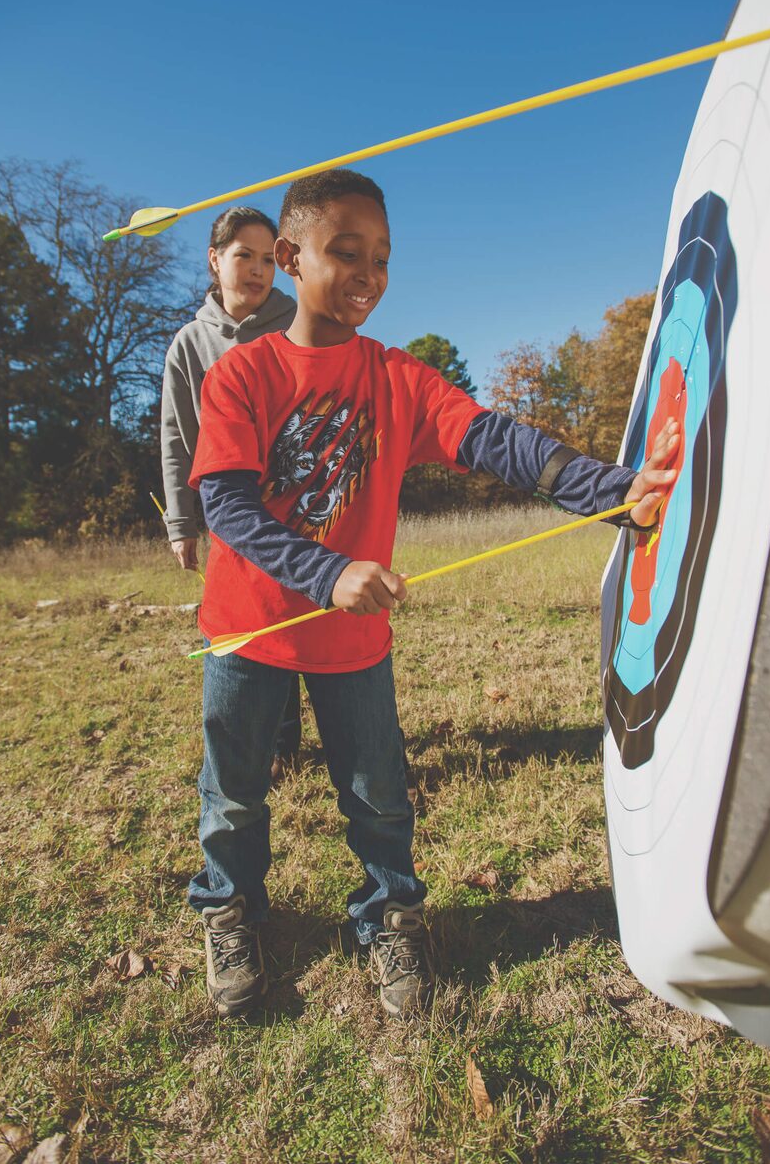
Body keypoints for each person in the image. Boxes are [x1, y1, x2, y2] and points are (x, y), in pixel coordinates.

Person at [188, 169, 679, 1019]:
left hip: (354, 645)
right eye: (348, 252)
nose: (370, 274)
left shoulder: (397, 379)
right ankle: (230, 909)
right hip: (246, 631)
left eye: (382, 256)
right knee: (232, 795)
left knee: (380, 795)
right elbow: (225, 505)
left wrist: (612, 489)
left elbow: (496, 441)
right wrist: (329, 571)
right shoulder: (243, 375)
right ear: (290, 255)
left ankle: (390, 916)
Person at [160, 207, 301, 776]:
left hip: (301, 504)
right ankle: (260, 742)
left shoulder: (300, 320)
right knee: (244, 629)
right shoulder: (189, 345)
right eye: (244, 255)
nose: (258, 269)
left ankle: (313, 738)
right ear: (216, 260)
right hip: (233, 513)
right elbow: (177, 437)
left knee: (300, 620)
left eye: (269, 259)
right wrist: (180, 522)